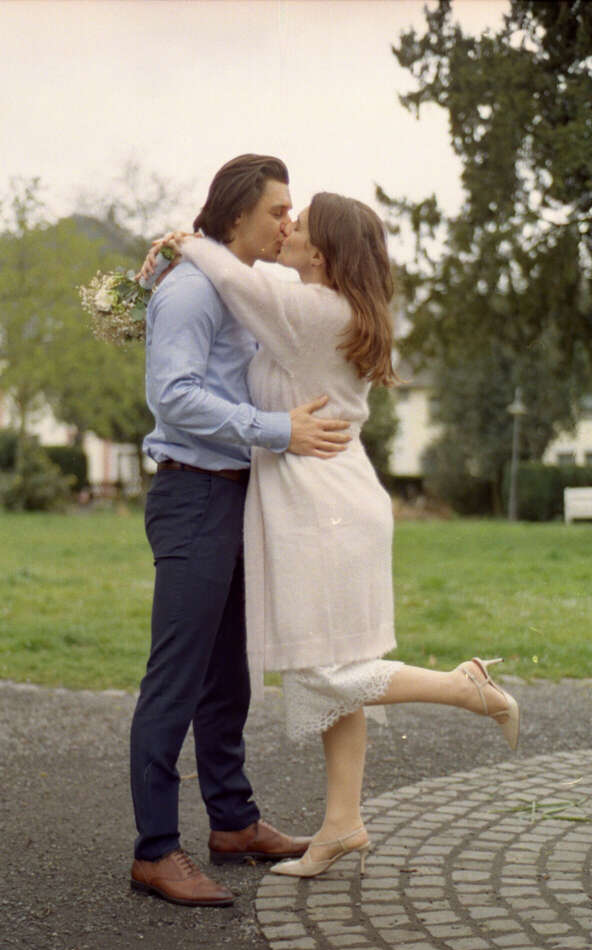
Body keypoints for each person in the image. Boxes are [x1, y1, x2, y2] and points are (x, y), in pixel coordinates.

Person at [146, 191, 520, 881]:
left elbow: (232, 278)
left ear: (319, 253)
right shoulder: (331, 310)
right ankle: (342, 824)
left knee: (324, 671)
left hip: (321, 508)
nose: (286, 228)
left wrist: (185, 242)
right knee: (335, 664)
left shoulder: (313, 312)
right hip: (335, 499)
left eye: (299, 223)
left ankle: (464, 686)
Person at [129, 156, 353, 908]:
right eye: (277, 211)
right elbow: (176, 396)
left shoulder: (237, 287)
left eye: (292, 212)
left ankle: (233, 823)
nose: (289, 223)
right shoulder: (191, 290)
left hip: (235, 497)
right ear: (235, 214)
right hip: (193, 495)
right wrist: (275, 430)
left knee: (228, 677)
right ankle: (156, 850)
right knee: (177, 678)